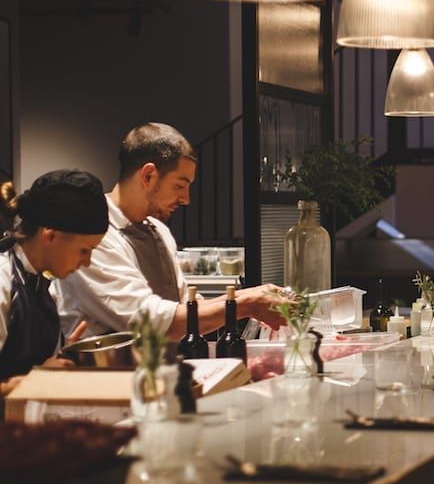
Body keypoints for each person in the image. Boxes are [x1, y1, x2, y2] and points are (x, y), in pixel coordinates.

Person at [58, 122, 286, 339]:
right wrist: (247, 304)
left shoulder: (158, 230)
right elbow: (154, 322)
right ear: (148, 175)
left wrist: (252, 296)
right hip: (104, 376)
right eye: (179, 185)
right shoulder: (95, 235)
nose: (186, 199)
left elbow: (186, 308)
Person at [0, 170, 109, 396]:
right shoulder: (3, 281)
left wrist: (61, 359)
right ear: (50, 236)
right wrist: (27, 382)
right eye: (84, 250)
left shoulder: (47, 287)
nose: (87, 262)